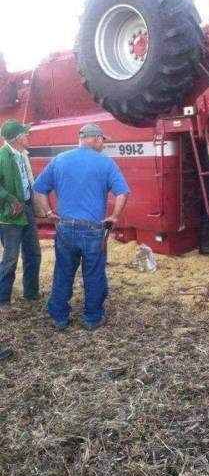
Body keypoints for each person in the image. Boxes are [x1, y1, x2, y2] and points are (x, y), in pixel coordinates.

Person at [33, 123, 130, 331]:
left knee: (63, 271)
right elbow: (123, 192)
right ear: (95, 139)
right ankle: (92, 318)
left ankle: (59, 316)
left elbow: (39, 188)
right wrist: (114, 216)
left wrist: (49, 213)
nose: (103, 144)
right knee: (93, 273)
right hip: (93, 229)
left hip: (65, 227)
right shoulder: (106, 163)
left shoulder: (59, 160)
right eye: (103, 140)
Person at [0, 119, 41, 308]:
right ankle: (3, 300)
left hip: (27, 209)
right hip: (10, 216)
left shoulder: (22, 154)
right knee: (10, 258)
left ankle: (31, 293)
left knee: (33, 253)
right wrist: (9, 198)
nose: (28, 135)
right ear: (17, 138)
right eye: (25, 134)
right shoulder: (2, 157)